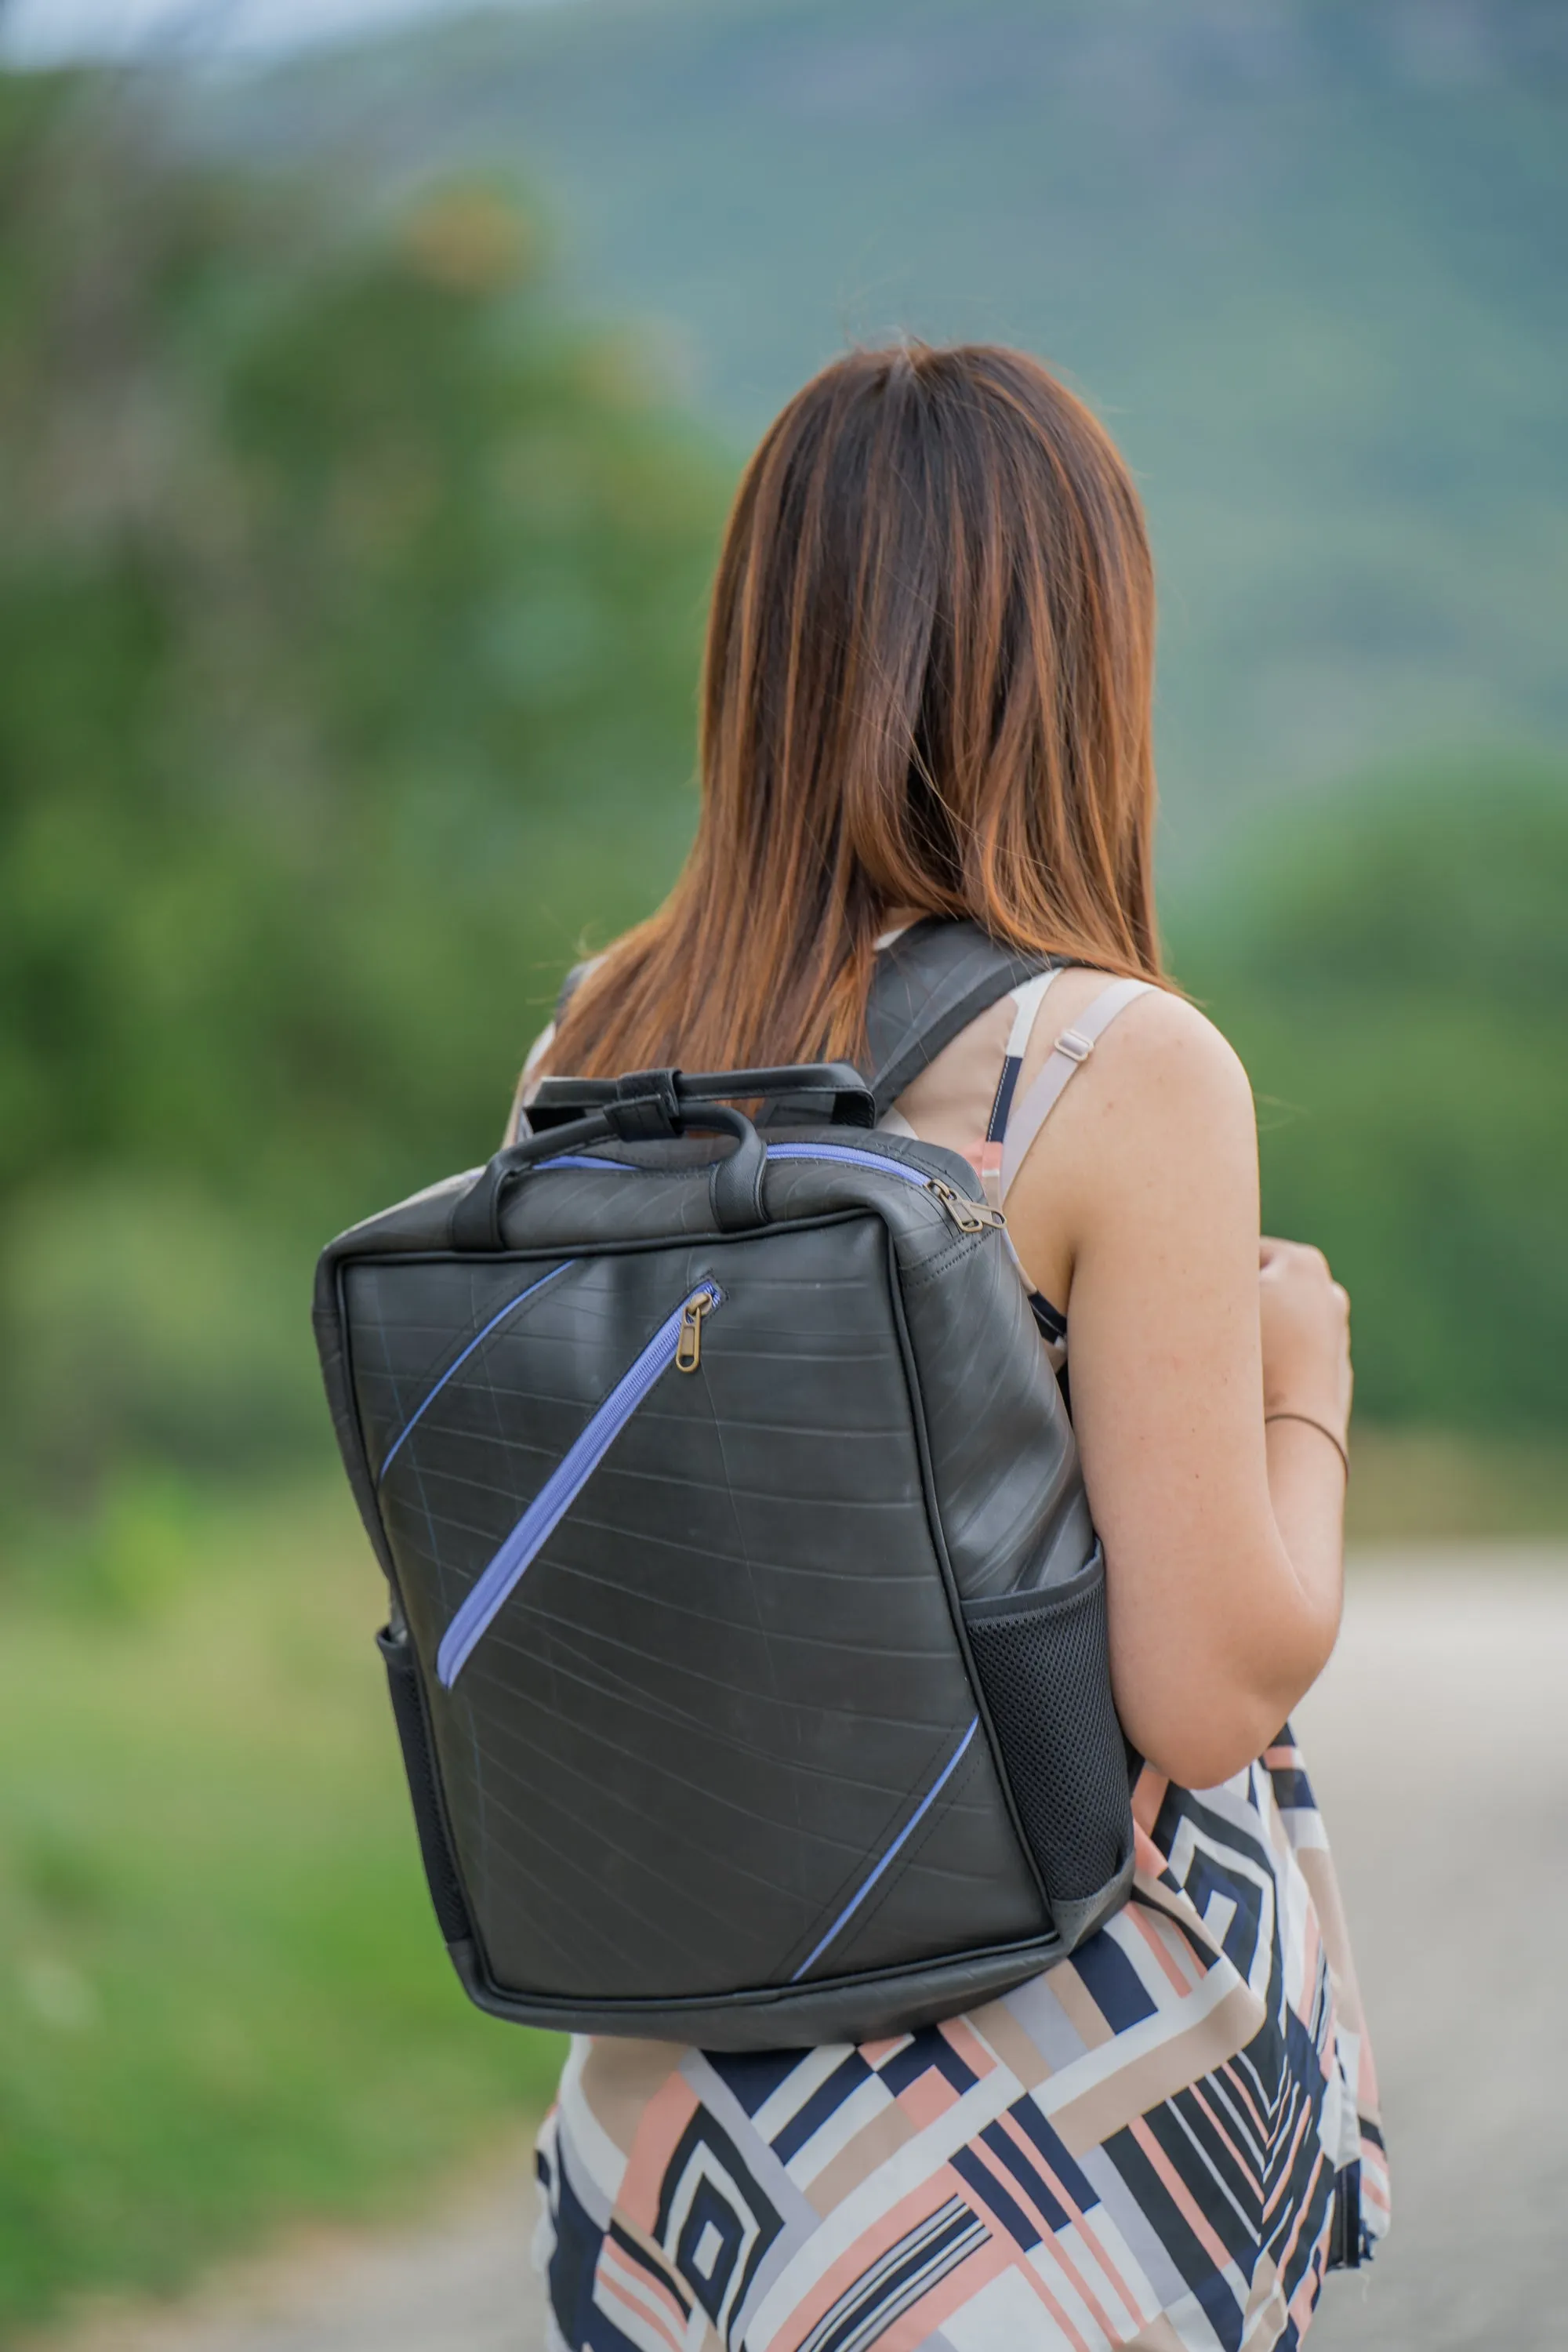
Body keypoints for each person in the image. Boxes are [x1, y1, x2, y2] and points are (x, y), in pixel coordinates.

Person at [517, 343, 1386, 2350]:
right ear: (1080, 657)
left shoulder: (590, 1049)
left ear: (763, 656)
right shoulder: (1116, 1060)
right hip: (1030, 2141)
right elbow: (1201, 1687)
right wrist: (1301, 1388)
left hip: (680, 2127)